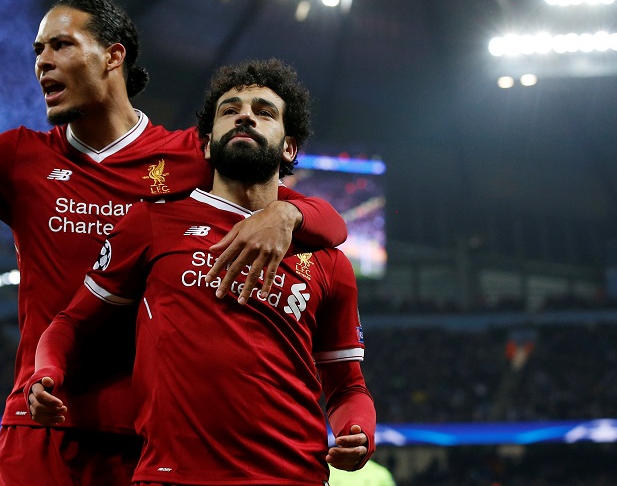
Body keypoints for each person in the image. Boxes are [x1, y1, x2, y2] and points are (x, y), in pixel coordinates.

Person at [0, 0, 348, 485]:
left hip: (147, 439)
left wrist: (288, 214)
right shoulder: (19, 157)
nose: (42, 62)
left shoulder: (190, 154)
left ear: (112, 56)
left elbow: (331, 222)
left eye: (61, 45)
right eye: (38, 50)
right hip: (42, 425)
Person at [29, 59, 376, 485]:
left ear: (289, 147)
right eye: (230, 110)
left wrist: (358, 432)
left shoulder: (328, 259)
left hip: (293, 476)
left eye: (264, 112)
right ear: (208, 144)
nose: (245, 115)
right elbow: (71, 323)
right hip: (170, 476)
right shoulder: (150, 223)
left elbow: (347, 388)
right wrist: (46, 373)